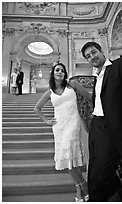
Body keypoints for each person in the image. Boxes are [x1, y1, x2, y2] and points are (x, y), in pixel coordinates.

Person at [81, 41, 122, 202]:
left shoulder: (120, 65)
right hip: (96, 126)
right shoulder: (97, 77)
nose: (92, 57)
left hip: (112, 126)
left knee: (103, 172)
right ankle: (95, 198)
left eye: (93, 52)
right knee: (94, 168)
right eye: (88, 56)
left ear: (101, 51)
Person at [34, 63, 92, 202]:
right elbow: (37, 108)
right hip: (59, 127)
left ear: (65, 73)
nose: (60, 72)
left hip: (74, 123)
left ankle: (83, 186)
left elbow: (89, 97)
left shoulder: (72, 84)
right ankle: (80, 186)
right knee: (67, 159)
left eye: (62, 70)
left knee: (70, 154)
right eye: (57, 70)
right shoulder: (49, 92)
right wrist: (46, 121)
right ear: (53, 74)